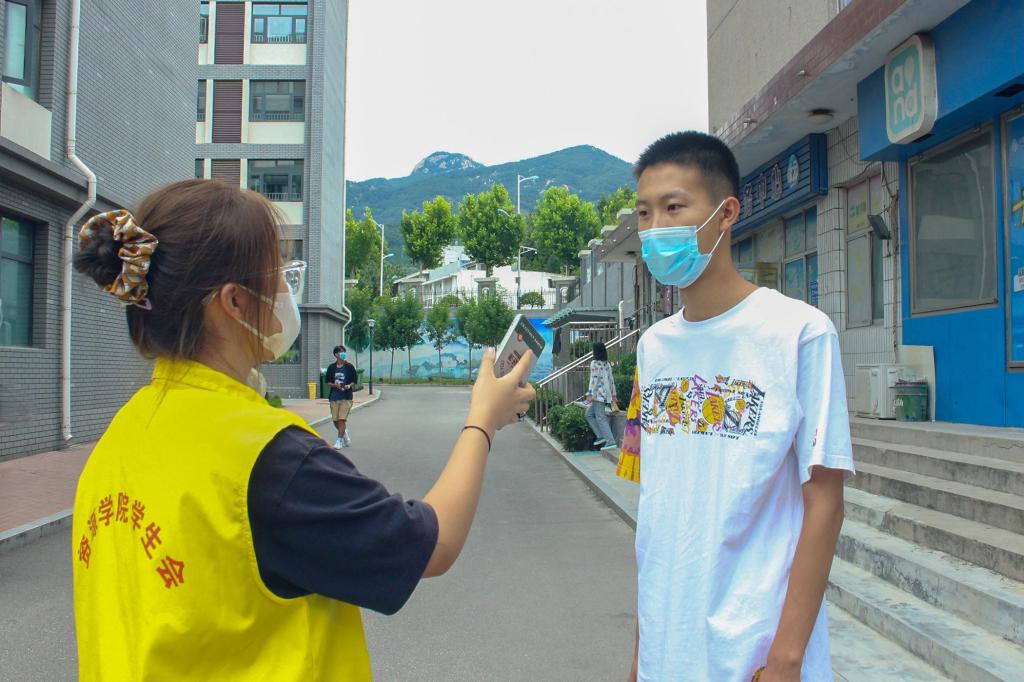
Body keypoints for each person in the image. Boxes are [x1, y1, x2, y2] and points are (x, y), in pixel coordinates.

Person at [70, 180, 535, 681]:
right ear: (234, 301)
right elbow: (432, 544)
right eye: (279, 275)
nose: (287, 291)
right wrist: (483, 419)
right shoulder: (269, 459)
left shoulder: (119, 439)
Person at [626, 132, 854, 682]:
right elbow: (659, 512)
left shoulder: (799, 333)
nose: (655, 228)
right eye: (644, 213)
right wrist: (641, 650)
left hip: (753, 651)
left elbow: (825, 501)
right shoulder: (653, 348)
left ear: (726, 212)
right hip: (666, 647)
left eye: (674, 207)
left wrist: (787, 659)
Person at [584, 341, 618, 450]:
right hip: (604, 395)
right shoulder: (607, 364)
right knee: (589, 414)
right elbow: (611, 380)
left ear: (596, 351)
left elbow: (593, 380)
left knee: (600, 418)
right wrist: (613, 394)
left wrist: (590, 394)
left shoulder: (594, 363)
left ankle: (610, 441)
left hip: (597, 395)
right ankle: (600, 436)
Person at [326, 344, 358, 448]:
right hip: (334, 397)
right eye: (341, 352)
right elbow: (327, 382)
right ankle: (344, 433)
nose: (343, 354)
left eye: (344, 352)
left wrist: (349, 385)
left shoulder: (349, 366)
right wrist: (335, 385)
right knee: (335, 421)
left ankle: (339, 441)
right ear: (336, 354)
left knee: (341, 419)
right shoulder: (331, 367)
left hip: (346, 397)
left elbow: (354, 380)